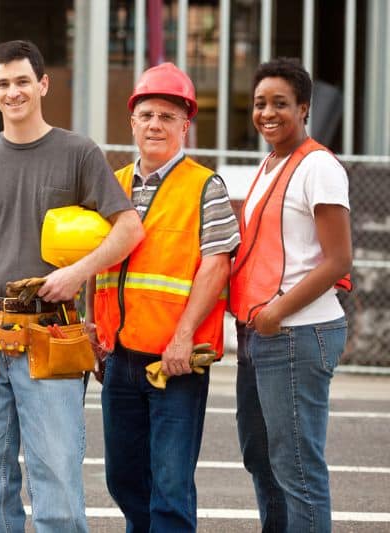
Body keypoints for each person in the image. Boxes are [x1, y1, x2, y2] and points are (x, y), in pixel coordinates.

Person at [0, 40, 144, 533]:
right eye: (3, 83)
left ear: (42, 84)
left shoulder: (78, 152)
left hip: (50, 335)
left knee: (58, 483)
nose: (13, 91)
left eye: (23, 81)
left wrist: (76, 272)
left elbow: (129, 228)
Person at [87, 63, 240, 532]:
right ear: (132, 122)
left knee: (170, 487)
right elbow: (95, 262)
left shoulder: (204, 187)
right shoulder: (111, 183)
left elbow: (217, 264)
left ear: (185, 126)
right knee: (124, 478)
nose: (155, 124)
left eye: (167, 116)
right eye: (147, 114)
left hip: (176, 360)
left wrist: (183, 336)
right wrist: (92, 329)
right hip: (119, 357)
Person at [231, 58, 352, 533]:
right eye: (260, 103)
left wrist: (276, 311)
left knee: (298, 470)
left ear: (303, 108)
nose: (268, 112)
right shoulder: (269, 164)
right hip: (261, 333)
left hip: (297, 332)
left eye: (280, 103)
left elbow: (338, 260)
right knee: (262, 460)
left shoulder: (318, 166)